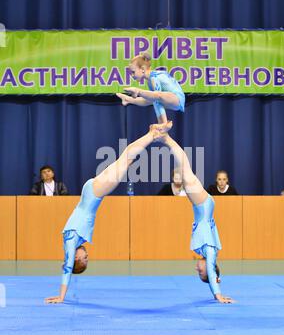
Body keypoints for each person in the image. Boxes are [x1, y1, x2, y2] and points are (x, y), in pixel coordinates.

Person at [45, 122, 171, 304]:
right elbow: (68, 264)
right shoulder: (73, 240)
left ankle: (152, 134)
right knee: (125, 160)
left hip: (94, 194)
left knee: (126, 159)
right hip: (92, 193)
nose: (87, 255)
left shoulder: (71, 243)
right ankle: (151, 134)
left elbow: (67, 268)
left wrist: (61, 296)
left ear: (76, 259)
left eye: (85, 259)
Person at [160, 133, 234, 304]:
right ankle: (166, 138)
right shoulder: (210, 253)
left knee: (185, 169)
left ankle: (164, 130)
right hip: (204, 206)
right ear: (210, 270)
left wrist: (216, 281)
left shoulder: (207, 252)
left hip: (203, 206)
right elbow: (211, 269)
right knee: (184, 168)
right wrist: (218, 294)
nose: (197, 269)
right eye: (200, 272)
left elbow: (212, 271)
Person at [116, 52, 185, 123]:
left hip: (177, 99)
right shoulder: (150, 80)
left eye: (133, 72)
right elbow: (155, 101)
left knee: (154, 96)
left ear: (142, 69)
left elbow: (157, 97)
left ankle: (138, 91)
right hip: (171, 100)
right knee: (150, 98)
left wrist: (163, 124)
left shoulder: (153, 77)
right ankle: (128, 99)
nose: (132, 75)